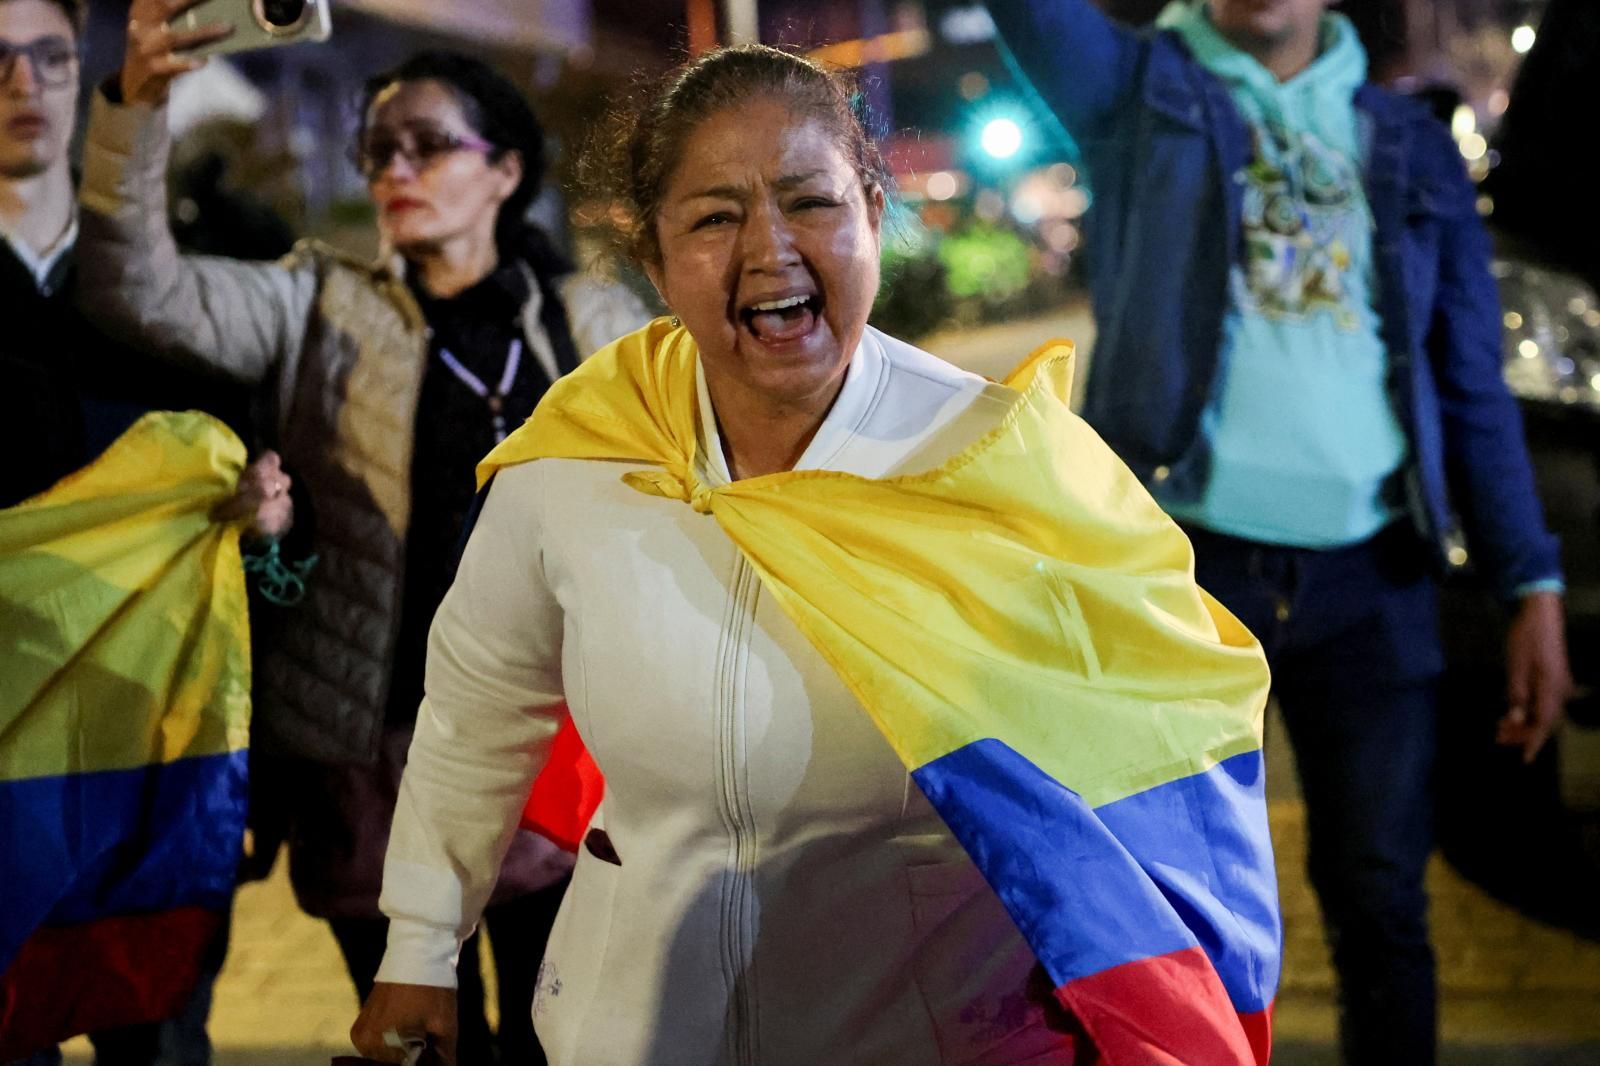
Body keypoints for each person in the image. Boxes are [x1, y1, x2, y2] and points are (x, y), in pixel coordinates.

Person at [351, 45, 1282, 1066]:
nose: (770, 250)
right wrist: (421, 943)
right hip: (634, 1036)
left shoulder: (999, 467)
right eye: (714, 218)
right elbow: (477, 708)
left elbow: (1165, 745)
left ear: (873, 214)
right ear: (654, 259)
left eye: (810, 202)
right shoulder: (582, 455)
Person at [986, 2, 1575, 1063]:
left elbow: (1470, 384)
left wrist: (1530, 583)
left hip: (1376, 579)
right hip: (1181, 577)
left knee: (1382, 904)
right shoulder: (1142, 91)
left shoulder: (1407, 141)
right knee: (1177, 918)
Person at [73, 2, 650, 1060]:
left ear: (505, 170)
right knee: (413, 1040)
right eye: (378, 148)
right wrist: (136, 108)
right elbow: (138, 291)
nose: (396, 168)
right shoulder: (315, 301)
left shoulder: (593, 323)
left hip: (553, 749)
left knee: (553, 1031)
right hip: (373, 757)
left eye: (428, 144)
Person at [0, 2, 289, 1062]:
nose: (23, 84)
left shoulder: (167, 290)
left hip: (155, 769)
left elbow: (268, 553)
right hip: (9, 778)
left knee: (159, 1037)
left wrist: (267, 527)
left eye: (48, 56)